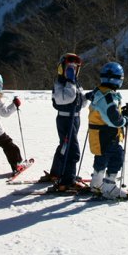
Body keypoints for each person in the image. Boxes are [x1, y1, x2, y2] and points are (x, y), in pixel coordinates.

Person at [87, 61, 128, 199]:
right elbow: (115, 120)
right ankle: (109, 186)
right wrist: (126, 120)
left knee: (101, 158)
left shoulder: (99, 92)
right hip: (107, 135)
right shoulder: (108, 98)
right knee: (117, 156)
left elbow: (92, 97)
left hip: (98, 135)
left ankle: (96, 183)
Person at [48, 53, 87, 192]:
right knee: (72, 150)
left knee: (65, 145)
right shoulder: (60, 84)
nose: (72, 70)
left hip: (75, 118)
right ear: (61, 69)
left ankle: (57, 173)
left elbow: (80, 103)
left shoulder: (76, 83)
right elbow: (67, 98)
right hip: (65, 119)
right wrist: (70, 81)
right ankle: (67, 181)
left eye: (75, 68)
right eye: (68, 68)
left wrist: (87, 97)